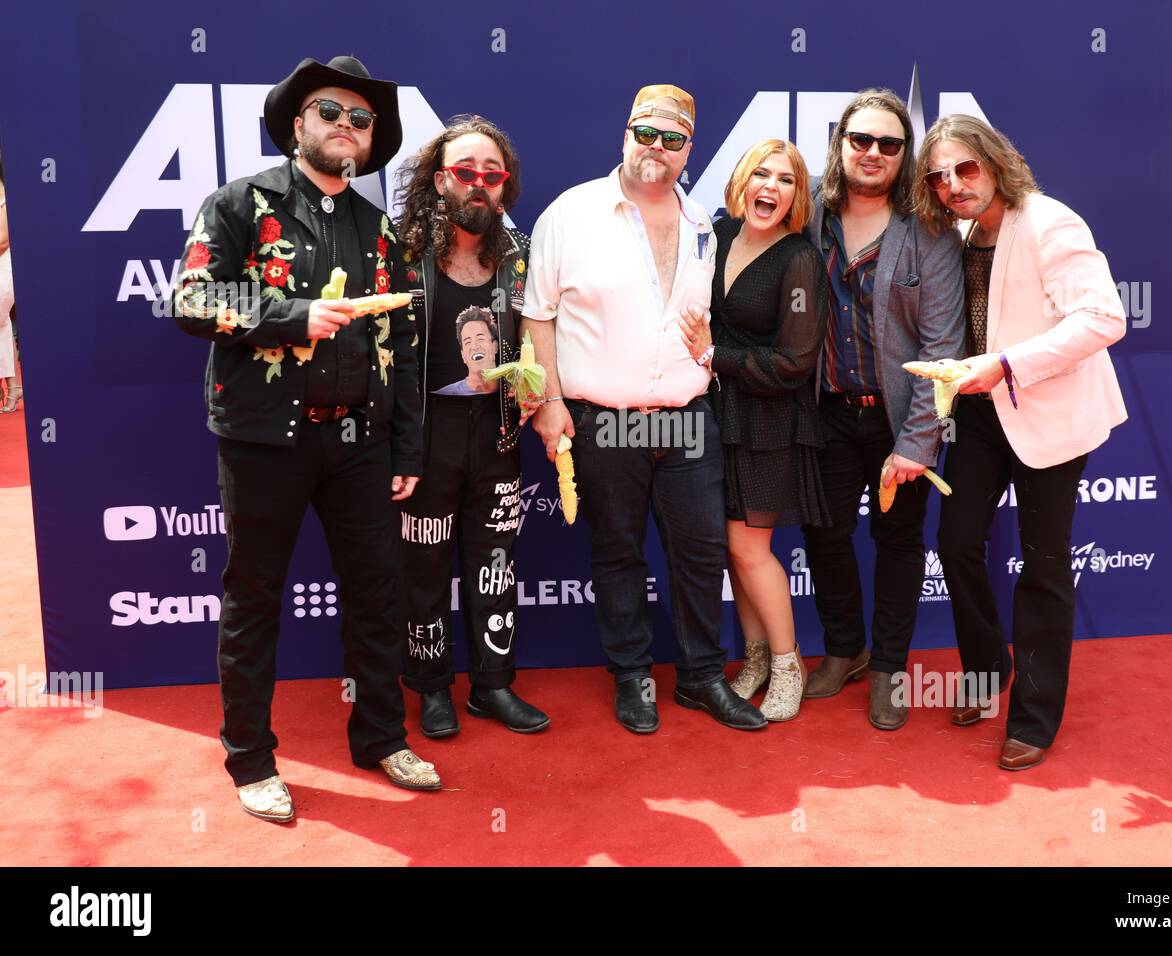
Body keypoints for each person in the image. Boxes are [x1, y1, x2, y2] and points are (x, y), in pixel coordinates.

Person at [171, 56, 441, 823]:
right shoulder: (238, 202)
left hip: (360, 442)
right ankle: (251, 759)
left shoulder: (379, 228)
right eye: (331, 112)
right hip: (265, 441)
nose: (347, 128)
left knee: (378, 593)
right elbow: (189, 298)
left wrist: (406, 451)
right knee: (254, 597)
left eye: (362, 120)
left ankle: (381, 736)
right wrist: (291, 319)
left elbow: (405, 349)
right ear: (298, 123)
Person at [521, 84, 766, 733]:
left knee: (699, 551)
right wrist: (548, 403)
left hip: (688, 415)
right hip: (605, 417)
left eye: (673, 138)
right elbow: (536, 315)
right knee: (618, 551)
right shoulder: (569, 216)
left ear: (691, 148)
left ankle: (701, 678)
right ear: (624, 134)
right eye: (645, 133)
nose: (656, 148)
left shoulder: (703, 226)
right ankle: (632, 677)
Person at [916, 114, 1128, 770]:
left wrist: (1006, 364)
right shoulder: (957, 231)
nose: (953, 185)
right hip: (984, 415)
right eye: (939, 176)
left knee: (1042, 568)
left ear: (995, 160)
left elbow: (1103, 317)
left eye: (965, 169)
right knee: (955, 542)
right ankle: (988, 676)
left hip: (1049, 414)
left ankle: (1034, 719)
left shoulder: (1049, 223)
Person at [799, 89, 965, 730]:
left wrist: (919, 443)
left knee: (898, 541)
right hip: (828, 410)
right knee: (824, 533)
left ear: (905, 155)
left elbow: (943, 347)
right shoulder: (808, 213)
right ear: (840, 144)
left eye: (889, 144)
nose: (873, 153)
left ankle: (891, 668)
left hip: (903, 418)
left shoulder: (929, 230)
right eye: (860, 140)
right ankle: (846, 650)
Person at [390, 114, 549, 739]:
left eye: (492, 174)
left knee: (495, 567)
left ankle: (493, 686)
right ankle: (431, 690)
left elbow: (546, 336)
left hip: (498, 436)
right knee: (423, 569)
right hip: (424, 439)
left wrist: (536, 385)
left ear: (504, 186)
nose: (478, 184)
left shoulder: (522, 260)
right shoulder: (402, 259)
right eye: (465, 172)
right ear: (439, 181)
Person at [678, 139, 829, 721]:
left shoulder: (798, 261)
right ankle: (757, 659)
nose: (771, 187)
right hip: (720, 414)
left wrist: (714, 356)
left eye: (786, 179)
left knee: (749, 547)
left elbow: (795, 362)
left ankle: (790, 664)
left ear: (798, 196)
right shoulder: (716, 237)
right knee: (732, 551)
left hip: (771, 418)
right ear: (742, 179)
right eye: (761, 174)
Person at [0, 152, 19, 414]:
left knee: (1, 319)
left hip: (8, 263)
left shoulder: (5, 194)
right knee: (2, 324)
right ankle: (14, 387)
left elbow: (4, 239)